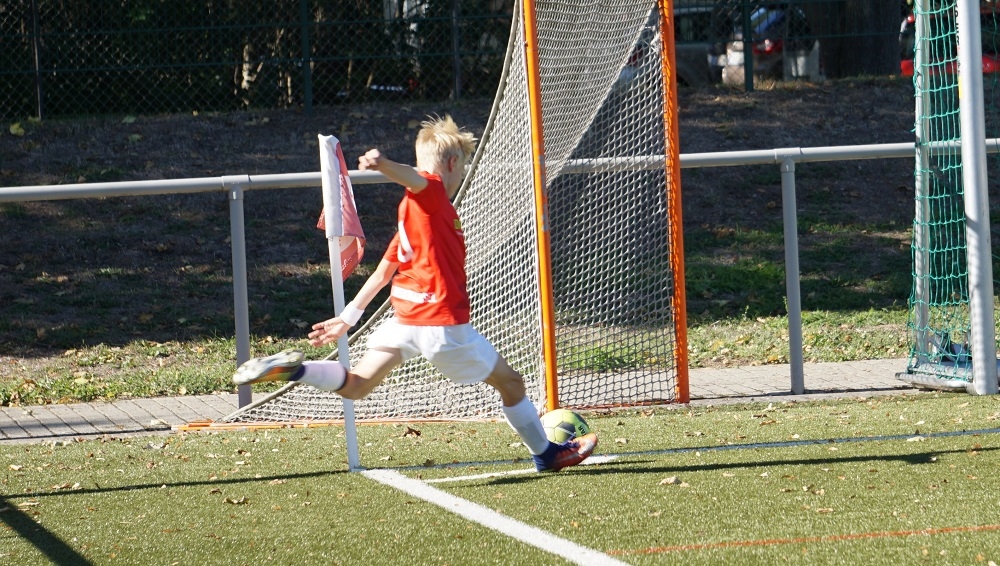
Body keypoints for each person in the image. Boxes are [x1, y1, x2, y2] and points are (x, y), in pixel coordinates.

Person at [233, 115, 597, 472]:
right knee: (512, 383)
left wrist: (348, 318)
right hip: (440, 323)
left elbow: (383, 271)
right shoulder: (432, 193)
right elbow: (416, 179)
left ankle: (296, 371)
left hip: (404, 318)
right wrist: (384, 164)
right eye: (462, 165)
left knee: (357, 385)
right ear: (453, 163)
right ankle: (546, 454)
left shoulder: (413, 217)